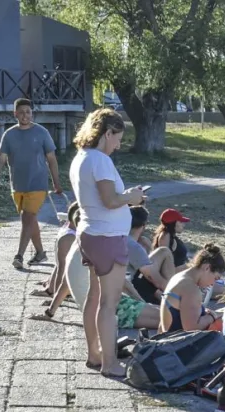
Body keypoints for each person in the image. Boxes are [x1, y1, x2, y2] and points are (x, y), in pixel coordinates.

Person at [70, 107, 146, 377]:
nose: (118, 145)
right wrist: (132, 198)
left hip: (91, 233)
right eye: (117, 138)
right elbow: (110, 201)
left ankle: (94, 354)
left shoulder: (81, 157)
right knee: (109, 304)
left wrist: (124, 196)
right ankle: (109, 363)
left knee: (93, 298)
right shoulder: (100, 161)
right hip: (107, 238)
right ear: (107, 133)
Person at [0, 98, 62, 270]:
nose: (25, 115)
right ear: (15, 114)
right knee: (29, 220)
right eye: (21, 112)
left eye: (28, 112)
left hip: (38, 183)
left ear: (32, 113)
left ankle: (19, 255)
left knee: (28, 217)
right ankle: (40, 253)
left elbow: (52, 159)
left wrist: (56, 183)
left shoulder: (41, 133)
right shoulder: (9, 135)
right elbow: (1, 157)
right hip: (18, 185)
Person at [159, 244, 225, 333]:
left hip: (166, 339)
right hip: (176, 344)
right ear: (207, 267)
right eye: (215, 278)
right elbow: (191, 329)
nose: (212, 284)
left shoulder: (179, 277)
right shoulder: (191, 289)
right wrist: (213, 316)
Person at [33, 201, 79, 298]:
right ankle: (56, 291)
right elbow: (60, 267)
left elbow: (59, 266)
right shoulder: (69, 237)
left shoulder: (69, 232)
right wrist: (54, 293)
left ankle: (54, 290)